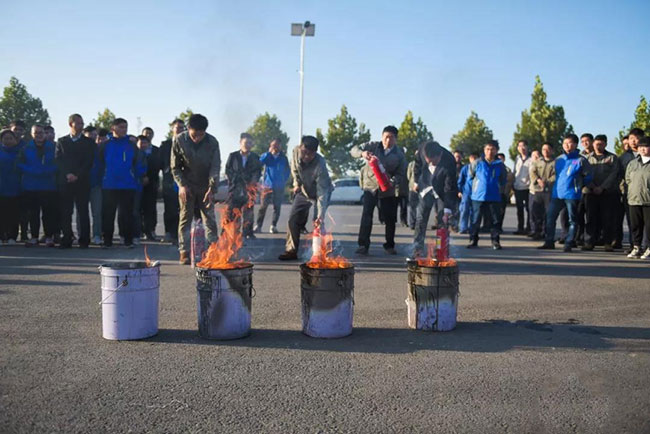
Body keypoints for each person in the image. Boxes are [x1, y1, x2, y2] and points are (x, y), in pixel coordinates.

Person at [171, 114, 221, 265]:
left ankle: (213, 251)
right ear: (188, 129)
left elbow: (215, 166)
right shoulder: (179, 140)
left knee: (210, 220)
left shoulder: (212, 142)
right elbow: (175, 167)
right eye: (194, 135)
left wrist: (212, 188)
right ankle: (184, 251)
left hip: (206, 186)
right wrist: (182, 185)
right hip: (187, 185)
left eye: (200, 135)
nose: (197, 138)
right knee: (185, 218)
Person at [351, 125, 407, 255]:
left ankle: (389, 245)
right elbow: (353, 150)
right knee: (367, 216)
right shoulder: (372, 146)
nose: (388, 140)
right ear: (382, 137)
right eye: (386, 137)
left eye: (391, 138)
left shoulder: (399, 154)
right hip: (370, 187)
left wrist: (392, 182)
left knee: (390, 218)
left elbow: (401, 173)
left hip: (388, 189)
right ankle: (363, 245)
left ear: (396, 139)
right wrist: (362, 153)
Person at [278, 135, 333, 260]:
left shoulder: (320, 164)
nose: (306, 156)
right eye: (304, 152)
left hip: (320, 192)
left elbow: (322, 193)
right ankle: (291, 250)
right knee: (293, 219)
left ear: (315, 153)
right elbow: (294, 169)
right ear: (300, 147)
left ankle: (320, 253)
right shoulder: (295, 152)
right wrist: (296, 183)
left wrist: (320, 214)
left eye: (310, 154)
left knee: (318, 222)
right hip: (304, 190)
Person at [538, 134, 592, 252]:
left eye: (570, 143)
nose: (567, 146)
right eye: (565, 143)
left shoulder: (581, 160)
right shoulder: (559, 159)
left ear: (575, 145)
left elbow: (588, 177)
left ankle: (569, 242)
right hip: (557, 193)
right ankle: (549, 241)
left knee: (572, 219)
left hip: (572, 194)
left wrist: (578, 186)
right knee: (550, 217)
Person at [99, 118, 146, 248]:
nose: (123, 129)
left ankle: (127, 240)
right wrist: (100, 179)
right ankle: (107, 240)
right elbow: (99, 164)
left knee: (127, 214)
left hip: (127, 185)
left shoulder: (131, 145)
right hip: (109, 184)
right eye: (120, 127)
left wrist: (139, 176)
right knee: (108, 214)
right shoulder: (105, 145)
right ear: (113, 128)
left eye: (125, 127)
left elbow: (138, 163)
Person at [55, 114, 95, 249]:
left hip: (82, 182)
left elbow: (89, 161)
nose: (81, 126)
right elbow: (58, 160)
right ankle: (67, 238)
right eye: (78, 123)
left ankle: (84, 240)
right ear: (71, 124)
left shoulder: (88, 142)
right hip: (65, 182)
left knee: (83, 211)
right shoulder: (62, 141)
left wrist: (77, 175)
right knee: (66, 212)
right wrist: (68, 174)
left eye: (82, 123)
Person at [412, 140, 457, 256]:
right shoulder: (421, 151)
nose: (431, 163)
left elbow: (449, 187)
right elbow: (417, 166)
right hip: (426, 186)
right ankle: (418, 248)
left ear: (440, 155)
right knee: (421, 218)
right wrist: (416, 181)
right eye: (429, 161)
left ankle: (440, 248)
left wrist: (447, 209)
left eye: (434, 161)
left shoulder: (449, 160)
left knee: (443, 220)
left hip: (441, 190)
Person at [17, 125, 58, 247]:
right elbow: (18, 163)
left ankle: (49, 237)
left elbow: (59, 163)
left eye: (41, 133)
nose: (39, 135)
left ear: (45, 134)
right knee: (33, 213)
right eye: (36, 133)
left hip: (48, 185)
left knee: (48, 213)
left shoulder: (53, 148)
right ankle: (34, 237)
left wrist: (47, 170)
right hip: (31, 186)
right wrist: (31, 170)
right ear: (32, 134)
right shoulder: (25, 148)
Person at [582, 135, 620, 251]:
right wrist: (593, 186)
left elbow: (614, 175)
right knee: (590, 218)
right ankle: (589, 242)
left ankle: (607, 242)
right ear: (593, 144)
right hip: (590, 192)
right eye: (596, 144)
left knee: (607, 218)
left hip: (607, 193)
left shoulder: (612, 158)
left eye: (601, 144)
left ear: (606, 144)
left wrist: (602, 187)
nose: (598, 146)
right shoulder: (586, 158)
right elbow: (584, 174)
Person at [467, 140, 507, 250]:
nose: (490, 151)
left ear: (497, 151)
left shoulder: (500, 165)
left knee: (495, 220)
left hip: (494, 196)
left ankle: (495, 241)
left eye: (492, 149)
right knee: (476, 219)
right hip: (478, 197)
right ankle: (473, 240)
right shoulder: (477, 163)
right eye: (488, 149)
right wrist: (474, 190)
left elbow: (503, 180)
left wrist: (500, 191)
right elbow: (470, 177)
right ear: (484, 150)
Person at [225, 133, 262, 240]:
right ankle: (233, 232)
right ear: (240, 143)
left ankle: (248, 232)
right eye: (245, 143)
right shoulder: (233, 156)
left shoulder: (255, 157)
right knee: (233, 211)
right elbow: (228, 170)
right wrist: (235, 180)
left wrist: (253, 180)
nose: (247, 145)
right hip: (235, 187)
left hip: (249, 189)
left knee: (249, 212)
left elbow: (258, 171)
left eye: (250, 143)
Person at [618, 128, 645, 253]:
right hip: (630, 193)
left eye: (636, 138)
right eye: (631, 139)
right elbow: (621, 176)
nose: (633, 142)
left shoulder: (646, 155)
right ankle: (634, 245)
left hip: (646, 195)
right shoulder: (624, 157)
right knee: (632, 222)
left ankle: (646, 245)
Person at [255, 138, 290, 234]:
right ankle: (258, 225)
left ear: (280, 146)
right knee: (263, 207)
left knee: (277, 207)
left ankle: (273, 226)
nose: (275, 147)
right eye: (273, 145)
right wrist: (268, 153)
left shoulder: (283, 158)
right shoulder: (267, 156)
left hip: (279, 186)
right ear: (270, 146)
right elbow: (259, 163)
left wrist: (283, 180)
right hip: (267, 186)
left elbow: (287, 171)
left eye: (277, 145)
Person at [160, 118, 184, 244]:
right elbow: (159, 162)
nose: (180, 130)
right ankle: (169, 232)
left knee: (183, 209)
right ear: (172, 128)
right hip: (169, 181)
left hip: (183, 182)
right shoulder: (165, 145)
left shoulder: (187, 144)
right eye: (177, 127)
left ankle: (180, 234)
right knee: (170, 209)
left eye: (182, 127)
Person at [625, 137, 650, 259]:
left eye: (645, 146)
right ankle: (636, 247)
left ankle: (648, 248)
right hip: (634, 199)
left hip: (648, 200)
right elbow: (628, 179)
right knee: (635, 225)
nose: (642, 149)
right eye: (640, 147)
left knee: (649, 226)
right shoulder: (633, 163)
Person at [138, 128, 162, 241]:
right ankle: (139, 231)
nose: (148, 135)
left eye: (150, 134)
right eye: (146, 133)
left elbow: (158, 165)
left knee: (151, 209)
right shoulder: (136, 151)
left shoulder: (157, 150)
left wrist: (150, 178)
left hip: (152, 182)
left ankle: (150, 230)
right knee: (138, 208)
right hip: (138, 183)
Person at [528, 143, 555, 241]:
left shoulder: (555, 163)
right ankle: (537, 232)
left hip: (549, 191)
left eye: (548, 149)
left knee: (548, 213)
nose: (545, 151)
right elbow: (532, 172)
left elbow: (556, 175)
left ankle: (546, 232)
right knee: (536, 212)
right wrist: (538, 180)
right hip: (538, 190)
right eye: (543, 149)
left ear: (552, 151)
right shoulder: (537, 162)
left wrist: (547, 182)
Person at [0, 129, 21, 244]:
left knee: (13, 214)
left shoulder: (20, 152)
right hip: (1, 187)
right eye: (5, 138)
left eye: (10, 138)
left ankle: (12, 236)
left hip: (15, 187)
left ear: (15, 140)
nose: (8, 141)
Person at [88, 129, 108, 245]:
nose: (94, 137)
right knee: (82, 213)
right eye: (91, 135)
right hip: (83, 184)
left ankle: (96, 235)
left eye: (95, 135)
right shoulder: (83, 148)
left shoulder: (100, 150)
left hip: (97, 184)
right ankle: (82, 234)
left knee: (97, 212)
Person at [10, 120, 29, 241]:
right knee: (9, 209)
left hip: (22, 182)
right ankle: (9, 233)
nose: (17, 132)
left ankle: (23, 233)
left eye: (20, 130)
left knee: (24, 210)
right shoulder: (5, 144)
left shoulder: (26, 146)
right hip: (7, 182)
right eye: (15, 129)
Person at [512, 140, 531, 235]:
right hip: (518, 187)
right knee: (519, 209)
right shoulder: (517, 158)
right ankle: (520, 228)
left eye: (524, 146)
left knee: (529, 209)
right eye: (520, 146)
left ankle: (529, 228)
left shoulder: (531, 158)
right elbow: (515, 172)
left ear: (527, 147)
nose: (522, 148)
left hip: (528, 188)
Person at [457, 152, 478, 234]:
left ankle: (472, 228)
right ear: (469, 159)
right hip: (466, 192)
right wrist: (459, 191)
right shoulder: (465, 168)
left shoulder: (479, 168)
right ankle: (463, 228)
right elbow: (460, 181)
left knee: (474, 212)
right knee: (464, 210)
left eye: (475, 158)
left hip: (476, 193)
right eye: (472, 158)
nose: (473, 160)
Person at [496, 153, 514, 233]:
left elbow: (510, 180)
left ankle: (499, 226)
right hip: (495, 193)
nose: (500, 160)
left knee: (502, 211)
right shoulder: (494, 168)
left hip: (504, 193)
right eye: (498, 159)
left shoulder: (508, 170)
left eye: (501, 159)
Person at [406, 151, 419, 230]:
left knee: (421, 207)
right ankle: (412, 223)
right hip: (412, 188)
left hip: (422, 189)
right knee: (412, 207)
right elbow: (408, 175)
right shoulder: (411, 164)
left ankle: (419, 223)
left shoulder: (426, 164)